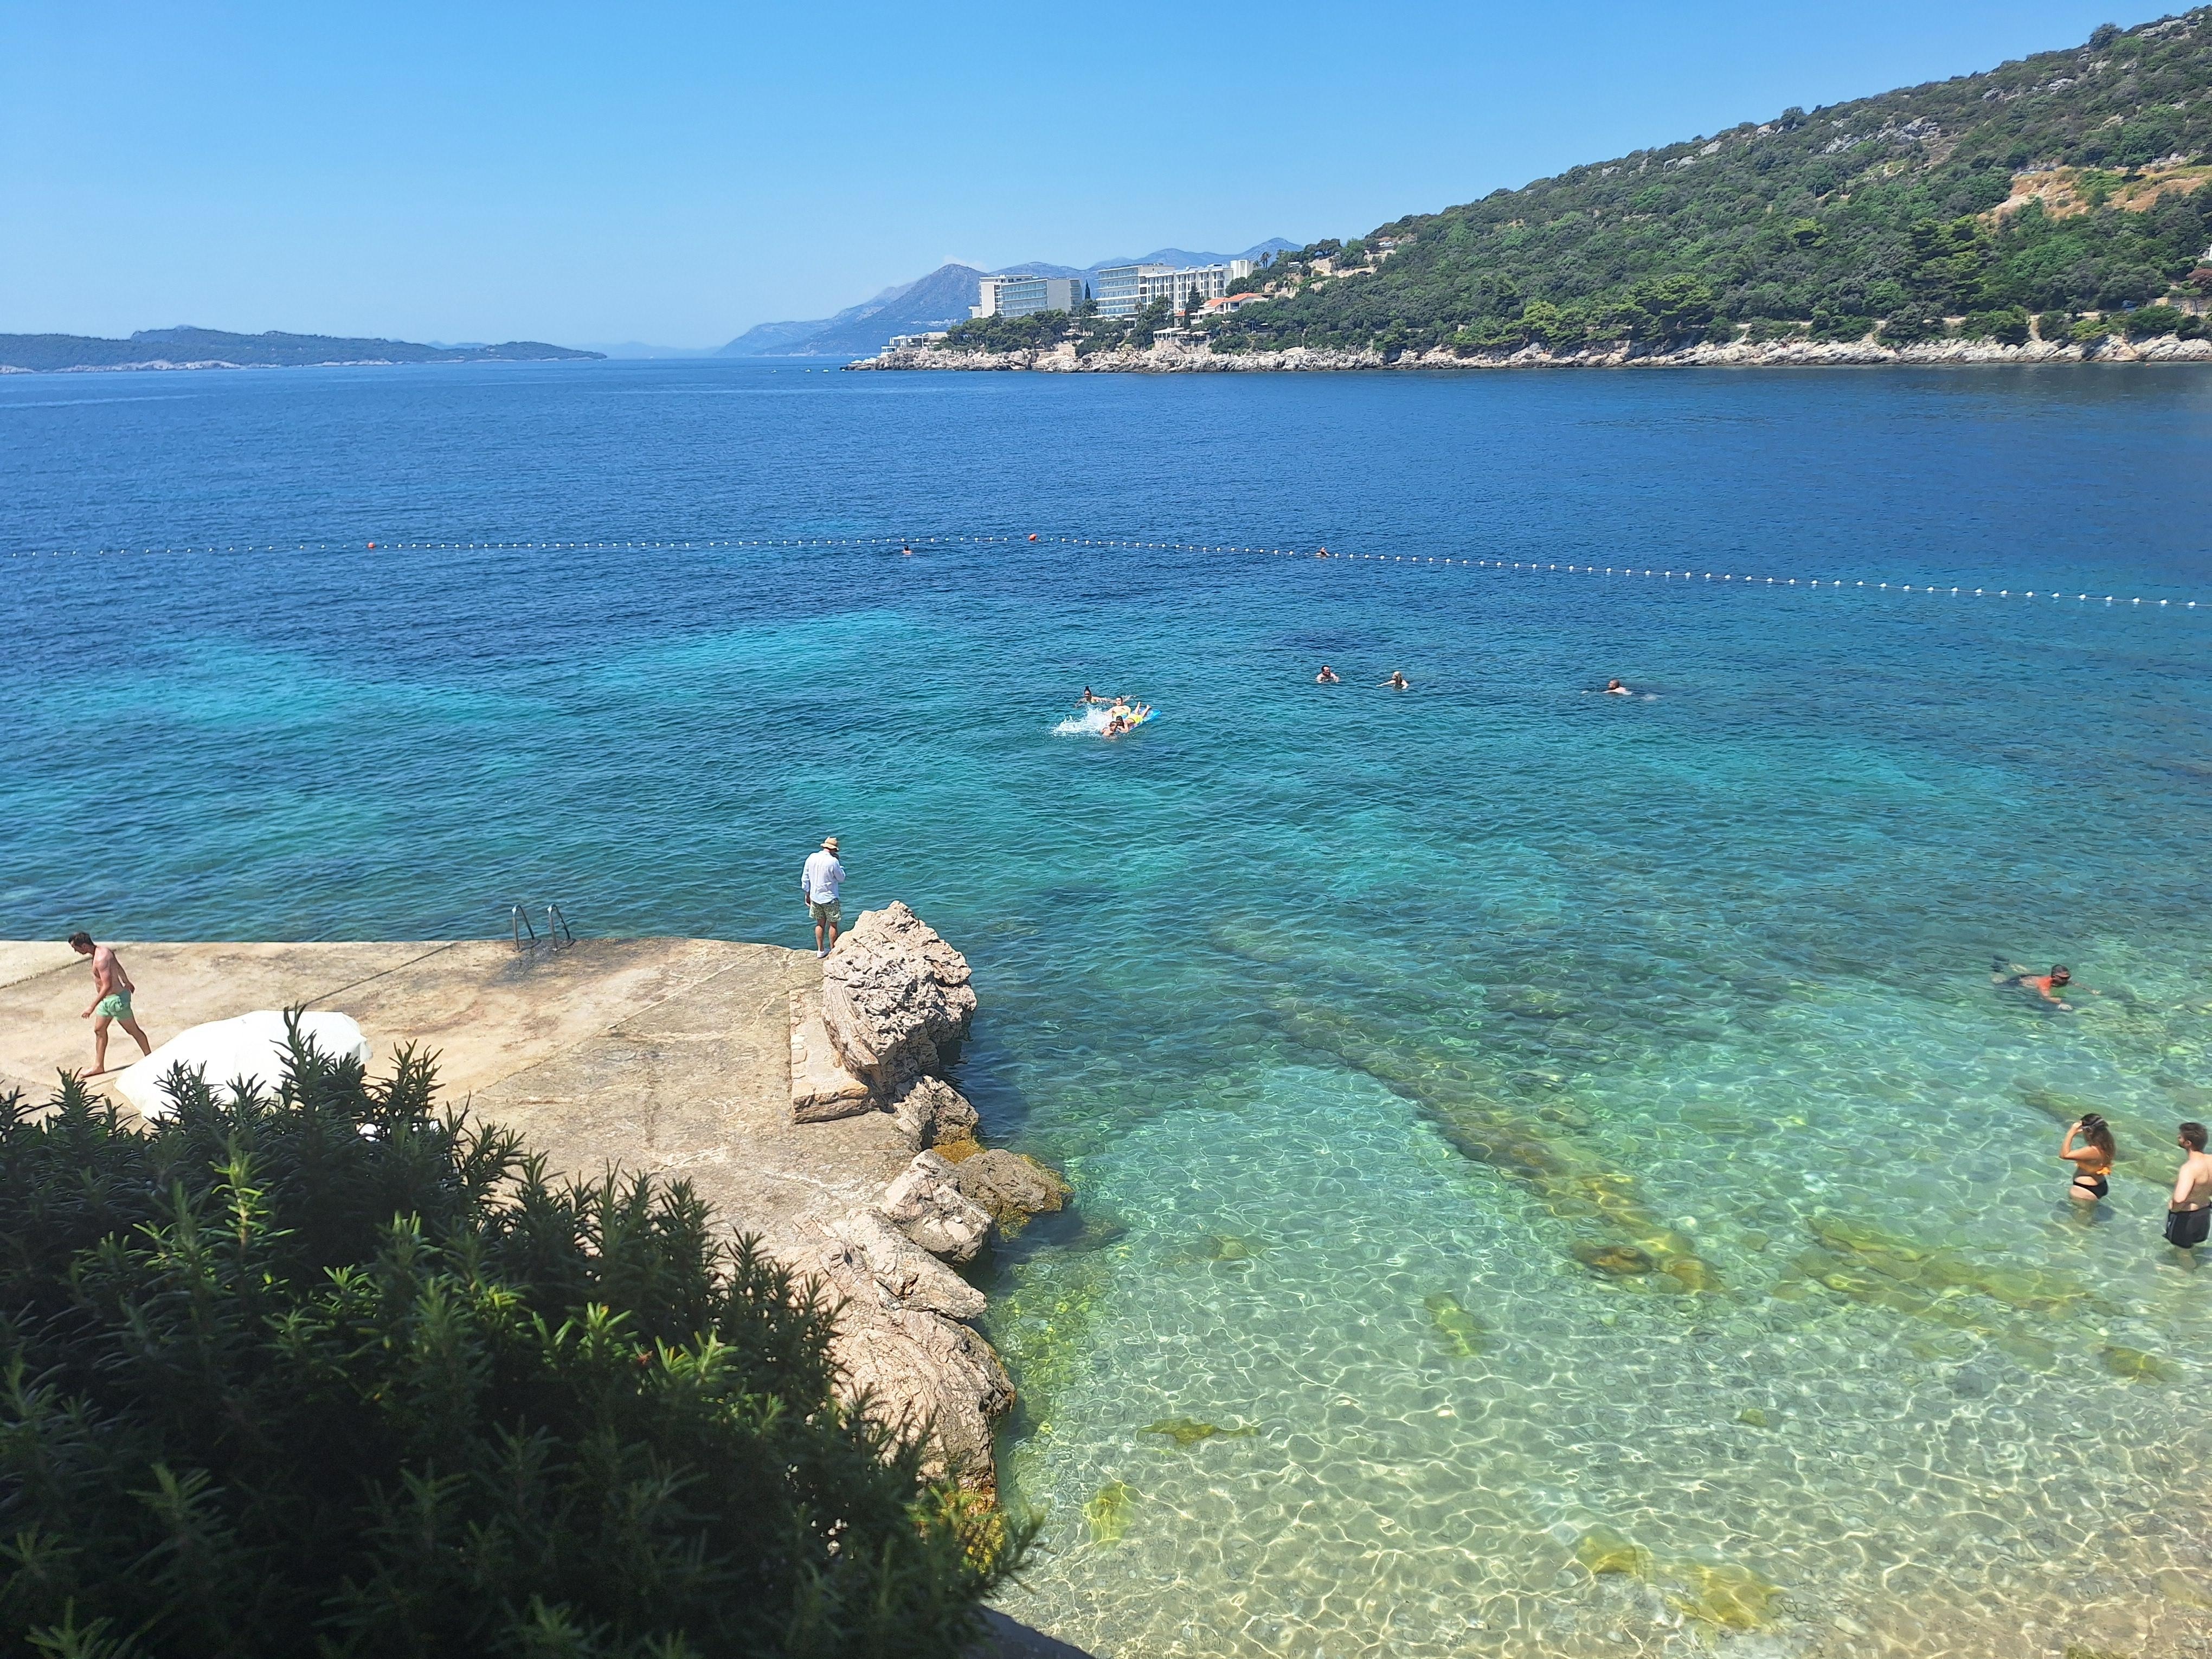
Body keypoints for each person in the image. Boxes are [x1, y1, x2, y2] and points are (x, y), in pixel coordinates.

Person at [70, 931, 152, 1076]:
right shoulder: (103, 951)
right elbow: (118, 966)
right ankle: (98, 1066)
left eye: (76, 948)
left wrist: (91, 1006)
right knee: (99, 1030)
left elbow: (107, 985)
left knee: (133, 1031)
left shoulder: (101, 959)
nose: (76, 951)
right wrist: (126, 981)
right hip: (107, 1002)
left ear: (84, 946)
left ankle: (151, 1058)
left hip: (116, 1000)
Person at [2168, 1122, 2212, 1251]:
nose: (2178, 1138)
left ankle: (2189, 1271)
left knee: (2182, 1253)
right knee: (2193, 1250)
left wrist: (2174, 1209)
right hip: (2204, 1214)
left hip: (2186, 1218)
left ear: (2188, 1143)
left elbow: (2180, 1199)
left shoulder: (2189, 1169)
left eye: (2180, 1137)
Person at [801, 836, 845, 958]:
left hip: (815, 897)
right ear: (834, 850)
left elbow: (805, 879)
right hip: (830, 898)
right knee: (833, 925)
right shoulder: (833, 861)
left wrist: (807, 895)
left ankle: (820, 950)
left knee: (820, 923)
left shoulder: (812, 857)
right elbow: (841, 878)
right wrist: (840, 866)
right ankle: (833, 951)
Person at [2059, 1115, 2115, 1204]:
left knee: (2078, 1218)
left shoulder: (2093, 1151)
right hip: (2100, 1183)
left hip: (2084, 1190)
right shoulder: (2108, 1144)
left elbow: (2064, 1155)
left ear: (2089, 1131)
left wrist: (2071, 1132)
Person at [1995, 962, 2074, 1010]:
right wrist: (2061, 1003)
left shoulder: (2062, 980)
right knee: (1999, 985)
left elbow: (2079, 985)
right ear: (2054, 977)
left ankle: (2011, 965)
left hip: (2033, 977)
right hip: (2019, 982)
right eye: (2063, 978)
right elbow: (2046, 997)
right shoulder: (2045, 984)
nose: (2066, 980)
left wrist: (2087, 989)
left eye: (2067, 977)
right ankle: (1997, 969)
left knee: (2029, 974)